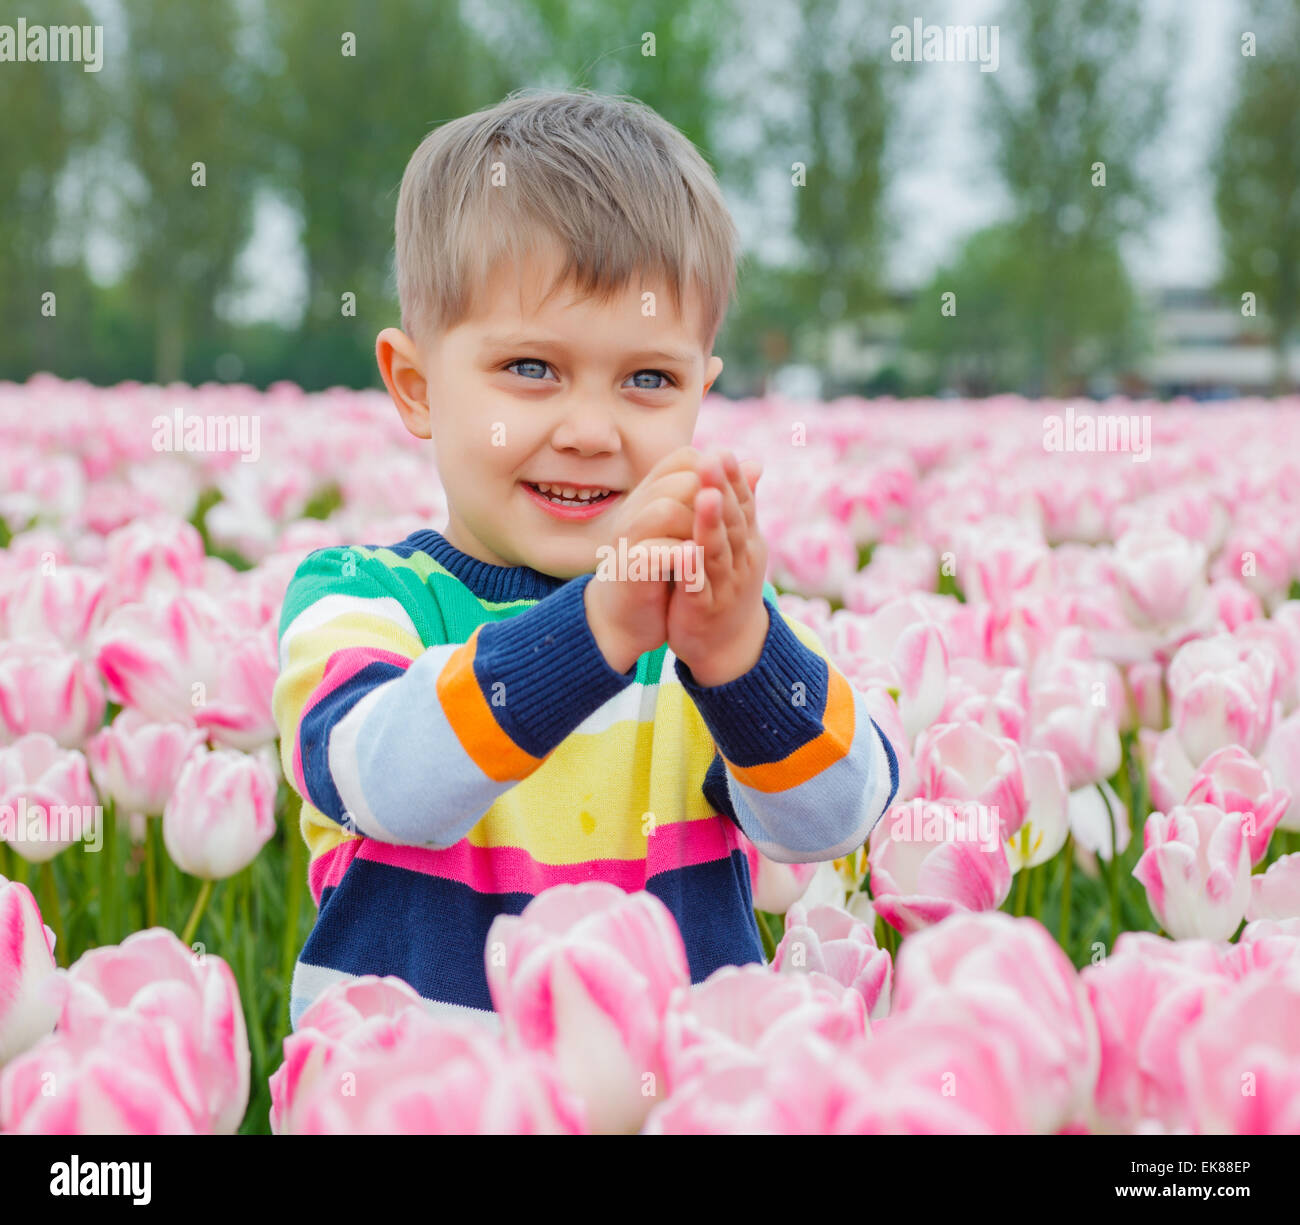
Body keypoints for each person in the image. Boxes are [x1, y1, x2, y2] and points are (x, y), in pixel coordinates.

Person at [272, 87, 899, 1032]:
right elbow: (390, 781)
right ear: (416, 385)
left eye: (649, 379)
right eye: (532, 369)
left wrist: (740, 659)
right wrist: (596, 628)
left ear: (701, 391)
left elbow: (836, 818)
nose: (591, 430)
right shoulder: (362, 602)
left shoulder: (711, 625)